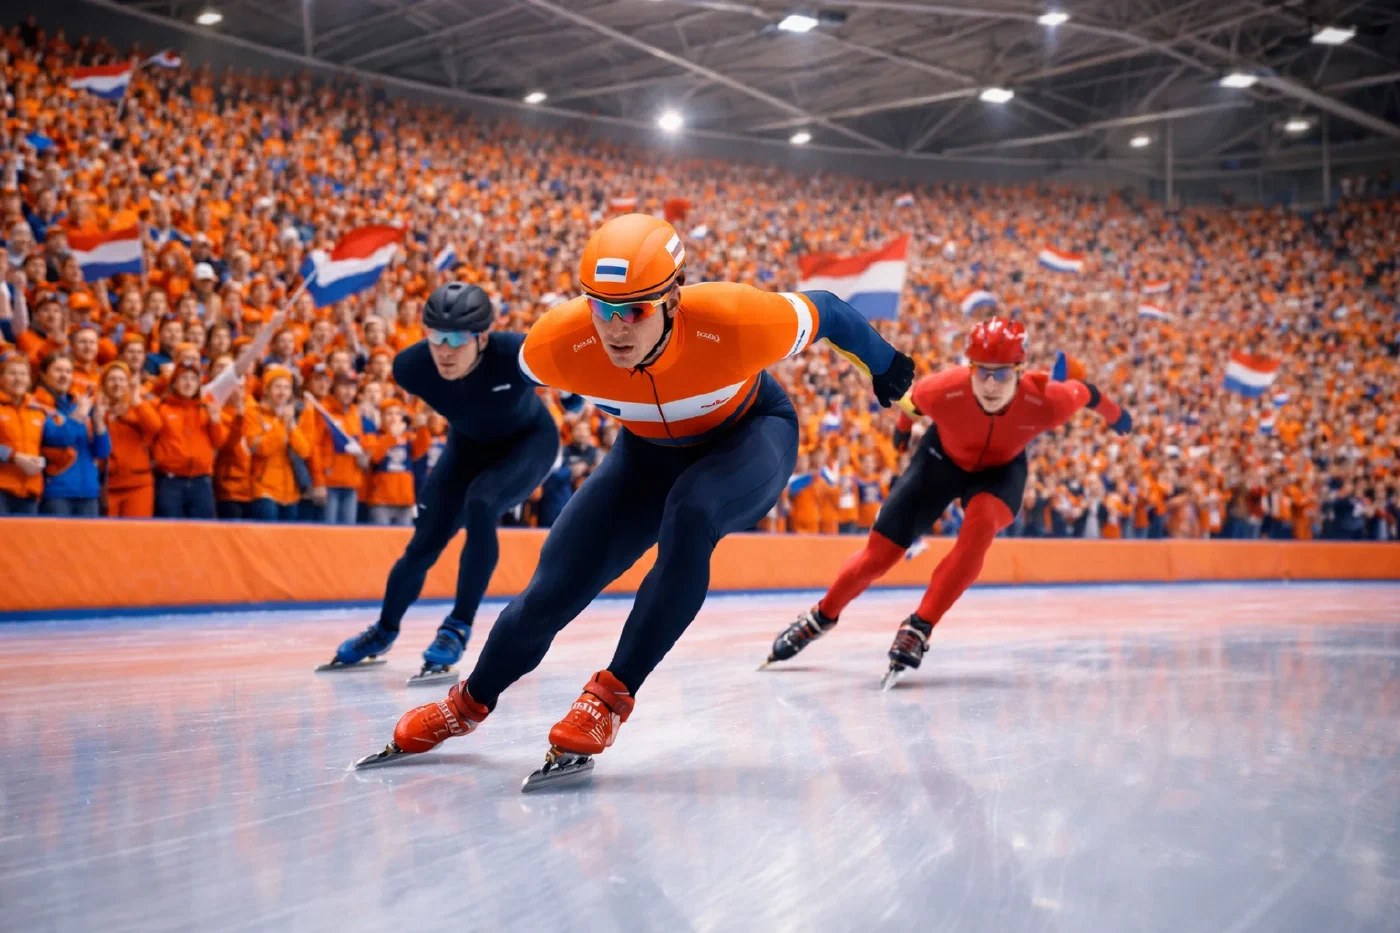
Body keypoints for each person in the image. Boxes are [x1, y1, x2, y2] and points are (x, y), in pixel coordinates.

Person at [355, 214, 914, 787]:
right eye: (602, 309)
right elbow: (494, 383)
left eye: (636, 311)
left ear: (673, 299)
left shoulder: (739, 318)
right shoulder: (555, 343)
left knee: (691, 514)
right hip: (644, 453)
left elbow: (829, 307)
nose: (616, 330)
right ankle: (469, 702)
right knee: (550, 591)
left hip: (748, 435)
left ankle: (610, 694)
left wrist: (889, 368)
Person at [763, 318, 1132, 687]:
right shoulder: (942, 389)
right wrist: (902, 435)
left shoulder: (1049, 401)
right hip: (940, 460)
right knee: (880, 555)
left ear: (1020, 372)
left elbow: (1087, 392)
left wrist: (1120, 418)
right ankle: (821, 616)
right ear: (968, 368)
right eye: (981, 372)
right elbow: (911, 407)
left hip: (1000, 473)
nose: (989, 384)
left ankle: (919, 626)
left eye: (1001, 375)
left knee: (981, 525)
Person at [322, 283, 566, 686]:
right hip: (466, 447)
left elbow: (566, 366)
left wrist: (572, 400)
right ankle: (384, 630)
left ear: (483, 338)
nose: (445, 350)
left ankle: (457, 626)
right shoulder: (409, 367)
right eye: (436, 337)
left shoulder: (513, 353)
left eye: (457, 339)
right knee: (423, 544)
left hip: (528, 443)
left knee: (482, 503)